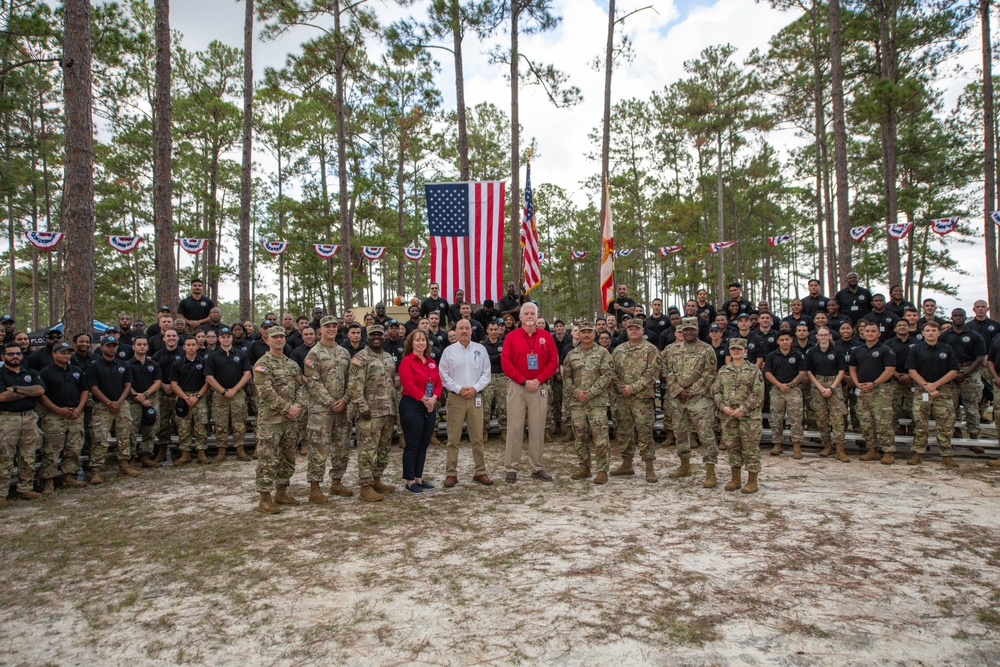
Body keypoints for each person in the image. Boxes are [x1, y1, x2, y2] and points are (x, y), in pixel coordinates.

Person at [500, 302, 558, 483]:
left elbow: (553, 362)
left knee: (538, 428)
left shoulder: (546, 337)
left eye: (533, 313)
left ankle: (537, 466)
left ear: (537, 316)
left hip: (538, 388)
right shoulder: (511, 337)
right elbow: (506, 363)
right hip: (518, 387)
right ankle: (511, 467)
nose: (530, 316)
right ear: (521, 317)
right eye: (526, 313)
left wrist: (538, 380)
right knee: (515, 428)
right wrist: (524, 381)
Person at [253, 327, 306, 514]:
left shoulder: (292, 364)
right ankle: (265, 498)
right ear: (267, 340)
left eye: (281, 337)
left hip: (291, 421)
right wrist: (287, 408)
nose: (279, 340)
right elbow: (265, 392)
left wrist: (297, 407)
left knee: (288, 457)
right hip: (271, 421)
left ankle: (281, 492)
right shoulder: (262, 364)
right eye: (274, 337)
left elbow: (302, 387)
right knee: (268, 459)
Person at [662, 317, 719, 487]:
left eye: (691, 329)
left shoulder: (707, 350)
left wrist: (692, 391)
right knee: (680, 433)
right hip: (677, 398)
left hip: (699, 399)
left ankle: (710, 471)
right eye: (684, 330)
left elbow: (709, 374)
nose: (688, 332)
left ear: (697, 330)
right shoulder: (671, 349)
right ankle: (685, 466)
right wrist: (678, 390)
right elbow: (665, 370)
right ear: (680, 331)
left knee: (706, 435)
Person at [303, 316, 354, 502]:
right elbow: (313, 383)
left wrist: (345, 400)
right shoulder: (313, 354)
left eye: (334, 326)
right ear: (321, 330)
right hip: (321, 411)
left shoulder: (344, 353)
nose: (331, 329)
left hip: (342, 409)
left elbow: (351, 381)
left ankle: (336, 482)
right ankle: (315, 487)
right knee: (319, 449)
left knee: (341, 448)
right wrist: (331, 401)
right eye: (328, 326)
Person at [348, 325, 399, 502]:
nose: (376, 337)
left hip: (388, 411)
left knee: (383, 449)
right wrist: (362, 407)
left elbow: (392, 382)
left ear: (383, 336)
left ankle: (377, 479)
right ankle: (365, 486)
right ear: (367, 338)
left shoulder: (387, 357)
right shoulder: (360, 358)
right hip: (369, 413)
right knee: (367, 451)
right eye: (372, 335)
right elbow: (354, 386)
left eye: (379, 335)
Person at [438, 320, 492, 488]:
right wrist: (459, 389)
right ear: (456, 330)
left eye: (467, 328)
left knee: (477, 438)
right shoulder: (449, 351)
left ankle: (480, 472)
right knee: (453, 438)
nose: (464, 331)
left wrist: (475, 389)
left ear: (471, 331)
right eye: (460, 328)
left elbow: (486, 373)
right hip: (456, 398)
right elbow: (443, 374)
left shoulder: (480, 349)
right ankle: (451, 473)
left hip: (475, 398)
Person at [562, 322, 614, 484]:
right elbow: (567, 377)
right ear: (578, 334)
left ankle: (602, 470)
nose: (586, 335)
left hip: (596, 402)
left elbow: (607, 376)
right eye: (583, 332)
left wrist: (590, 393)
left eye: (589, 332)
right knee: (580, 437)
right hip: (577, 403)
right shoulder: (571, 354)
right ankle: (584, 467)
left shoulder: (603, 353)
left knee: (600, 438)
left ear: (594, 334)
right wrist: (577, 392)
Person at [610, 319, 660, 482]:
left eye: (636, 329)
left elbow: (652, 372)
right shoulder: (618, 350)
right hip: (622, 398)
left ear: (642, 330)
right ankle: (626, 464)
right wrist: (620, 387)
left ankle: (649, 467)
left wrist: (633, 388)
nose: (633, 331)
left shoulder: (650, 349)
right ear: (626, 330)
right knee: (623, 431)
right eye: (630, 328)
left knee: (644, 433)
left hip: (642, 399)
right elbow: (612, 372)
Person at [713, 337, 765, 494]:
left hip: (749, 417)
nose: (736, 351)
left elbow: (758, 393)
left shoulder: (753, 370)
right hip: (728, 416)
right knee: (732, 447)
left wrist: (744, 409)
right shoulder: (723, 371)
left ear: (745, 351)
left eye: (739, 349)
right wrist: (723, 407)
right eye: (733, 349)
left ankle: (752, 481)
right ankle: (735, 479)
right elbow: (716, 391)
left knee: (750, 448)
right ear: (729, 351)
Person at [907, 321, 960, 468]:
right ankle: (917, 453)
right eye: (928, 330)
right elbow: (912, 371)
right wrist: (926, 386)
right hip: (921, 390)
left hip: (942, 391)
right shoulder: (916, 349)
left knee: (945, 425)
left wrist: (935, 386)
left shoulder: (947, 349)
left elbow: (953, 371)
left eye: (934, 330)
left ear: (939, 333)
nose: (931, 333)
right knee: (920, 424)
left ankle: (947, 455)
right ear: (922, 333)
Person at [396, 329, 443, 492]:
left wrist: (434, 398)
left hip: (430, 405)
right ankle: (409, 481)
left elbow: (438, 383)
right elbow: (409, 385)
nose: (421, 342)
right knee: (413, 445)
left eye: (423, 339)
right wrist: (424, 399)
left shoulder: (431, 361)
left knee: (424, 444)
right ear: (411, 343)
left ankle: (419, 478)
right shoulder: (407, 362)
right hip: (412, 405)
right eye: (417, 340)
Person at [87, 334, 138, 482]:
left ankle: (124, 465)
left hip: (121, 405)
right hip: (102, 407)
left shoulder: (123, 365)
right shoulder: (95, 366)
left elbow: (128, 385)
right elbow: (93, 387)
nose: (112, 348)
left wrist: (119, 402)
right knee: (100, 439)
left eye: (114, 346)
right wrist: (109, 403)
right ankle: (96, 470)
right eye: (108, 345)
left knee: (124, 437)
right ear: (102, 347)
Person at [38, 342, 89, 491]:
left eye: (68, 353)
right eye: (62, 353)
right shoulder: (45, 372)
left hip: (75, 414)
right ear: (54, 354)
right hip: (54, 416)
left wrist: (79, 408)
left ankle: (69, 477)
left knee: (73, 448)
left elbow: (84, 390)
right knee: (51, 449)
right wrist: (58, 410)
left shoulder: (77, 371)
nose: (66, 355)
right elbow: (42, 395)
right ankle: (49, 481)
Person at [0, 341, 45, 503]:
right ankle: (1, 493)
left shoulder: (31, 373)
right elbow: (2, 397)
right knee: (4, 456)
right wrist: (28, 391)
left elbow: (39, 390)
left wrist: (15, 388)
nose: (15, 357)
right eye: (11, 354)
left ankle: (25, 488)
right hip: (7, 419)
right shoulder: (1, 374)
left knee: (28, 455)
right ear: (3, 356)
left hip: (29, 418)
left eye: (18, 354)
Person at [849, 322, 898, 464]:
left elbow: (889, 370)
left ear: (879, 333)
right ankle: (872, 450)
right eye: (867, 331)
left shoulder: (886, 350)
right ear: (863, 333)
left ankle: (888, 451)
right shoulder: (857, 350)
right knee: (866, 422)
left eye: (873, 331)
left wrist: (875, 383)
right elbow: (852, 368)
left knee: (883, 422)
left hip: (880, 390)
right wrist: (857, 383)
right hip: (863, 389)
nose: (869, 333)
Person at [205, 327, 252, 463]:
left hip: (237, 394)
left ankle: (240, 449)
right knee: (220, 424)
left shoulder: (241, 354)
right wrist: (223, 390)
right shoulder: (212, 356)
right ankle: (221, 451)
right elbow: (209, 377)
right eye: (223, 336)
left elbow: (247, 374)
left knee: (239, 423)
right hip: (220, 395)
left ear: (232, 338)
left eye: (228, 336)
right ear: (219, 339)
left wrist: (234, 389)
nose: (226, 339)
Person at [941, 308, 986, 446]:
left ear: (965, 317)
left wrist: (965, 373)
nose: (958, 317)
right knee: (950, 407)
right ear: (951, 317)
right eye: (955, 315)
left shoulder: (975, 336)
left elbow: (980, 358)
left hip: (969, 371)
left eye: (961, 315)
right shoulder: (944, 336)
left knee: (971, 406)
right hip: (950, 372)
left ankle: (974, 438)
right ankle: (953, 435)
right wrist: (951, 373)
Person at [805, 327, 849, 462]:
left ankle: (840, 449)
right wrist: (820, 387)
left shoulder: (837, 351)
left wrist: (832, 388)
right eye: (820, 335)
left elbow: (842, 371)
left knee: (837, 418)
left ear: (830, 336)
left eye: (825, 335)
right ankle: (827, 446)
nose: (823, 337)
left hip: (834, 383)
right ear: (817, 337)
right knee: (821, 417)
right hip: (817, 384)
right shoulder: (812, 352)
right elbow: (809, 371)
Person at [764, 331, 807, 458]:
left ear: (791, 340)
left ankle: (796, 445)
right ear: (778, 341)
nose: (784, 342)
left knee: (796, 418)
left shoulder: (798, 355)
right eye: (782, 340)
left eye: (787, 339)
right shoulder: (772, 356)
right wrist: (780, 385)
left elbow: (803, 373)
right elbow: (768, 373)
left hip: (793, 390)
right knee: (776, 418)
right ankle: (777, 444)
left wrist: (791, 384)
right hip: (777, 390)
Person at [170, 335, 210, 465]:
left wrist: (197, 396)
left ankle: (201, 453)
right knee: (183, 426)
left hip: (200, 397)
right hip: (183, 397)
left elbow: (207, 381)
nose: (191, 347)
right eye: (188, 345)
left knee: (201, 425)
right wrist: (186, 397)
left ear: (198, 346)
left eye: (193, 345)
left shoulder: (203, 362)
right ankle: (185, 454)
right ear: (184, 347)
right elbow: (174, 384)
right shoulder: (177, 364)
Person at [126, 335, 162, 468]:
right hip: (133, 401)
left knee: (151, 428)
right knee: (132, 430)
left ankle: (146, 456)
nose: (142, 347)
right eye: (139, 344)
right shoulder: (126, 365)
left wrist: (146, 395)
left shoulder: (154, 364)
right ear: (133, 347)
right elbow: (126, 384)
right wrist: (139, 397)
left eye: (144, 344)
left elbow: (158, 382)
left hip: (151, 400)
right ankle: (130, 458)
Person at [481, 319, 507, 441]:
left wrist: (493, 358)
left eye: (495, 329)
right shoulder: (482, 346)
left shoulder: (504, 343)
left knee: (504, 406)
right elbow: (485, 361)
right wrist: (498, 357)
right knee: (485, 406)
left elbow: (506, 359)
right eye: (491, 329)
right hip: (488, 378)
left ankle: (505, 430)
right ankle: (484, 430)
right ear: (487, 331)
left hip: (502, 377)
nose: (493, 332)